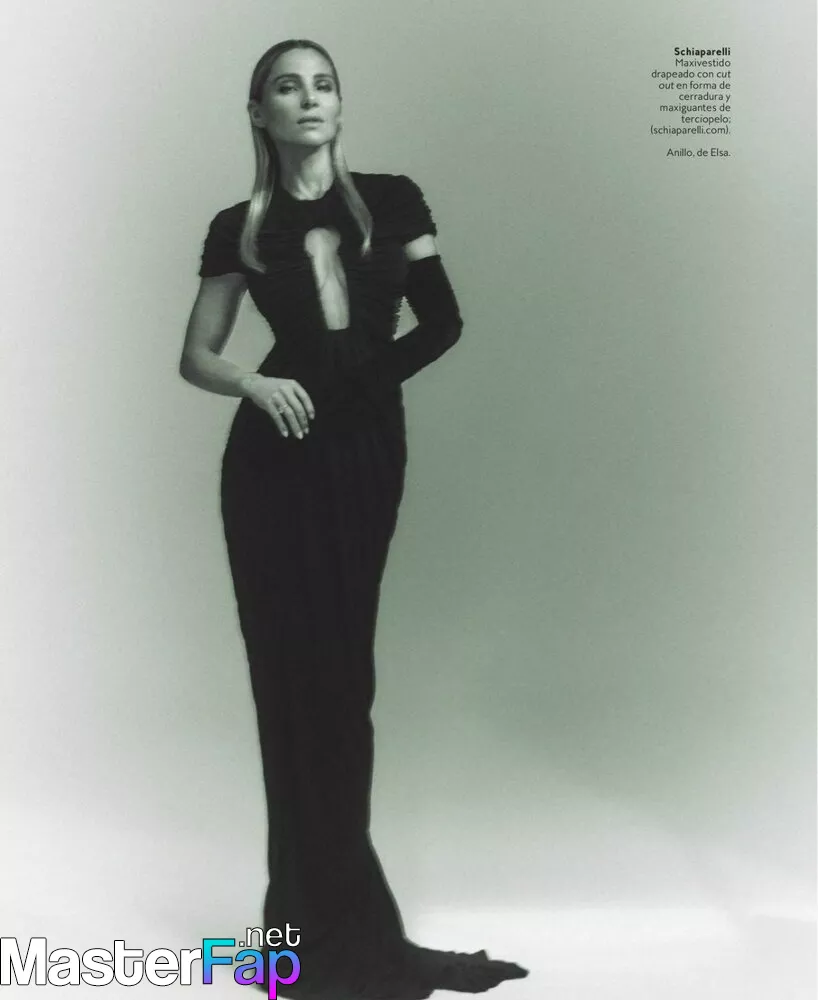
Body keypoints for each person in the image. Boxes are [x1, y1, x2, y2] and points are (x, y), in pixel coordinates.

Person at [179, 39, 529, 1000]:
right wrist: (255, 383)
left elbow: (444, 322)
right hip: (271, 466)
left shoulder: (393, 200)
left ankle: (350, 935)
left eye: (323, 85)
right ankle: (300, 936)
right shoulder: (240, 226)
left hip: (365, 452)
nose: (309, 100)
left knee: (341, 691)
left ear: (340, 104)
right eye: (287, 88)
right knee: (288, 691)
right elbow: (197, 355)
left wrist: (361, 387)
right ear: (259, 113)